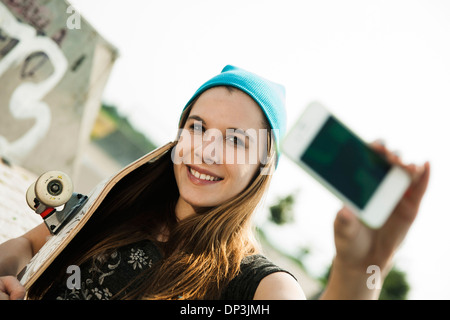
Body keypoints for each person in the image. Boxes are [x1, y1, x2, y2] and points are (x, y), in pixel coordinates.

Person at [0, 65, 430, 300]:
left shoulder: (255, 284)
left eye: (236, 140)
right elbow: (29, 245)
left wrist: (358, 274)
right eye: (197, 126)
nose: (205, 150)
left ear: (264, 166)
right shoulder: (121, 201)